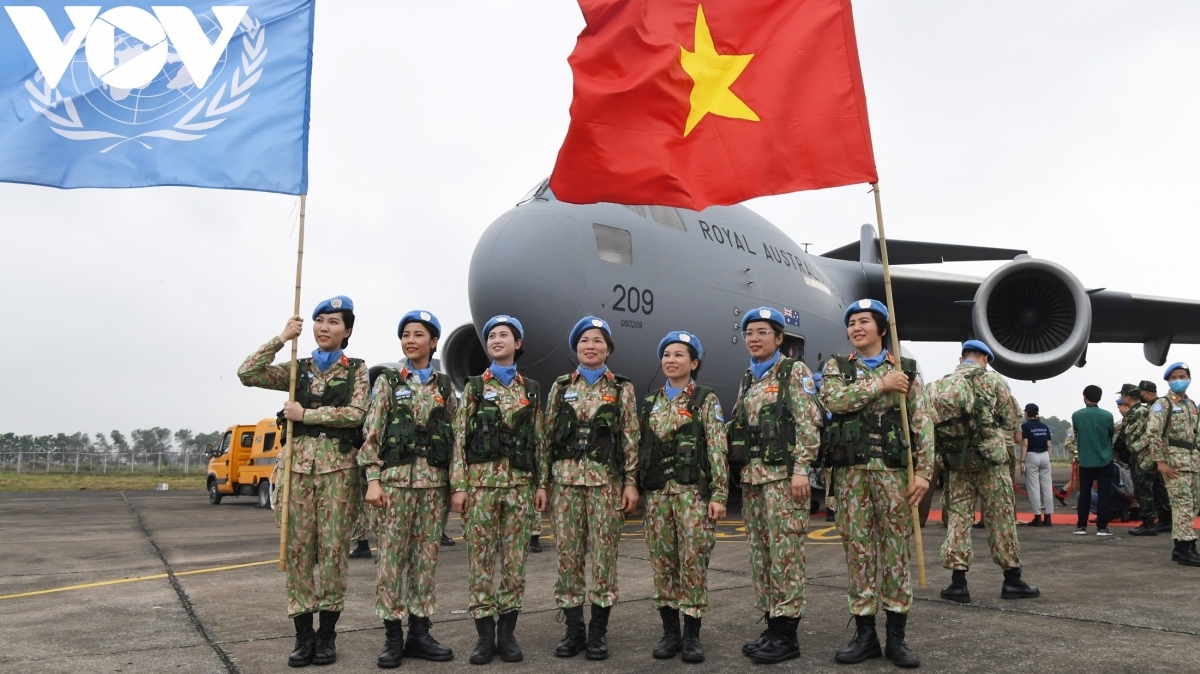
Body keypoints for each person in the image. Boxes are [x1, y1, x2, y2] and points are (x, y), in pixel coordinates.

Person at [237, 296, 369, 667]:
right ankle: (303, 635)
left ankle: (327, 636)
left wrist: (305, 414)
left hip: (339, 474)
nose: (324, 328)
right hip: (297, 473)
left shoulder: (356, 370)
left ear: (347, 331)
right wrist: (281, 337)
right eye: (319, 321)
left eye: (333, 322)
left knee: (332, 555)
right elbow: (247, 373)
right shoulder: (299, 369)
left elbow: (357, 413)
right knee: (296, 553)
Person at [820, 299, 932, 669]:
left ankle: (896, 637)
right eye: (851, 322)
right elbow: (834, 401)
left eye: (864, 321)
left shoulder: (907, 371)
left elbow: (922, 424)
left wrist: (924, 472)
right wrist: (881, 384)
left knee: (895, 554)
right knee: (859, 554)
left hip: (893, 475)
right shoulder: (837, 368)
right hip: (851, 476)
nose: (856, 327)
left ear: (882, 329)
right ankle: (865, 634)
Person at [360, 310, 457, 667]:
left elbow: (456, 440)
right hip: (394, 486)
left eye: (419, 334)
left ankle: (420, 634)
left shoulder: (445, 387)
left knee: (425, 562)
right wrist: (372, 478)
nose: (410, 340)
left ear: (433, 342)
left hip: (433, 486)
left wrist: (457, 487)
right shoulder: (388, 381)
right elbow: (372, 431)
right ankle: (392, 637)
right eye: (406, 334)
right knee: (390, 562)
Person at [539, 316, 640, 661]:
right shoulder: (560, 386)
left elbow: (630, 439)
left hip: (606, 486)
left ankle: (598, 632)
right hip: (565, 484)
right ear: (576, 349)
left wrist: (630, 484)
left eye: (598, 340)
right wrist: (543, 484)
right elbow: (546, 438)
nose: (590, 346)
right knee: (568, 559)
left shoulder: (621, 389)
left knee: (603, 559)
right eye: (584, 341)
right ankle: (573, 630)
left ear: (608, 349)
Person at [727, 307, 821, 665]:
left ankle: (787, 636)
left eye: (763, 332)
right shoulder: (748, 379)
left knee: (785, 556)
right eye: (749, 332)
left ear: (779, 339)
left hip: (784, 479)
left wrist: (802, 471)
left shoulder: (794, 372)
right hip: (753, 480)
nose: (754, 338)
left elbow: (809, 423)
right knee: (762, 556)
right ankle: (771, 626)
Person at [450, 315, 544, 664]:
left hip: (519, 487)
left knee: (515, 563)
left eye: (504, 334)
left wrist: (542, 484)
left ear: (517, 344)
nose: (496, 339)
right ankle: (484, 637)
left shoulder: (530, 390)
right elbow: (459, 438)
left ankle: (508, 634)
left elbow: (539, 442)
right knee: (481, 562)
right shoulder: (474, 387)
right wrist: (459, 486)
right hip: (479, 489)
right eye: (491, 335)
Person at [639, 331, 729, 663]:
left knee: (693, 564)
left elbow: (718, 449)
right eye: (666, 355)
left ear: (693, 363)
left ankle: (692, 634)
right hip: (659, 496)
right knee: (662, 563)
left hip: (693, 496)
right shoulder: (650, 402)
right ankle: (670, 633)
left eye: (679, 355)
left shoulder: (706, 400)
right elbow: (640, 450)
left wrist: (719, 494)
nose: (671, 360)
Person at [927, 340, 1039, 606]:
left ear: (961, 358)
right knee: (1000, 517)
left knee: (958, 519)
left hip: (957, 463)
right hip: (991, 462)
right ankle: (1012, 579)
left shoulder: (939, 385)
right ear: (985, 359)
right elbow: (1011, 420)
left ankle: (958, 583)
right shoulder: (993, 381)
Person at [1144, 363, 1200, 565]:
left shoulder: (1192, 405)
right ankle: (1187, 548)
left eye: (1183, 376)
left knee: (1193, 504)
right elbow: (1153, 434)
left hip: (1192, 462)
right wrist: (1160, 462)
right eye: (1174, 377)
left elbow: (1196, 435)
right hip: (1173, 463)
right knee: (1182, 505)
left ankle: (1179, 548)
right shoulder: (1163, 404)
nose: (1179, 380)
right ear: (1168, 381)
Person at [1068, 385, 1116, 536]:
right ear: (1099, 398)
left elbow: (1076, 432)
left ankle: (1081, 526)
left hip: (1086, 459)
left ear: (1084, 397)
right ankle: (1102, 527)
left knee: (1084, 493)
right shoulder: (1108, 416)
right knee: (1104, 493)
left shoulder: (1077, 415)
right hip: (1105, 458)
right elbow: (1110, 434)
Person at [1132, 380, 1174, 535]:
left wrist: (1137, 448)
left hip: (1151, 453)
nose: (1139, 396)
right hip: (1158, 454)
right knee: (1159, 488)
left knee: (1145, 488)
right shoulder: (1157, 406)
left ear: (1148, 393)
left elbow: (1154, 432)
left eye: (1140, 393)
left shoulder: (1157, 407)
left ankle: (1148, 523)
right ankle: (1165, 520)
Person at [1020, 404, 1054, 527]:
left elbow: (1025, 444)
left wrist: (1022, 461)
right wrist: (1048, 458)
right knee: (1047, 487)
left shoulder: (1025, 426)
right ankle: (1048, 517)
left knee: (1034, 487)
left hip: (1032, 455)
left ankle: (1038, 517)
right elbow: (1049, 444)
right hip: (1045, 455)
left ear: (1027, 413)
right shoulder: (1044, 426)